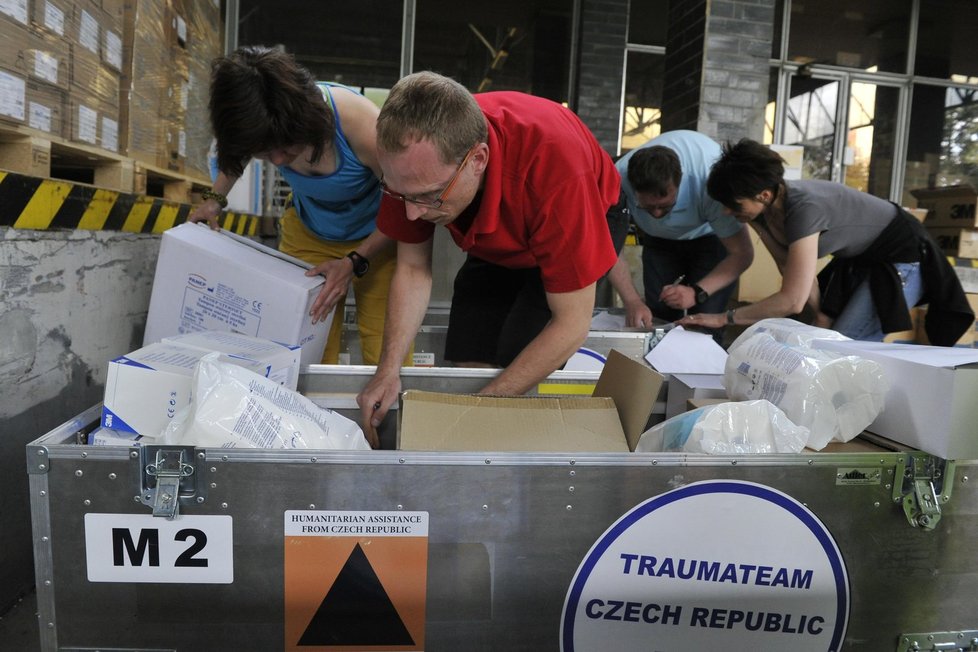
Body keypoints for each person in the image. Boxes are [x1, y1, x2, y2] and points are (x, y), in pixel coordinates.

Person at [356, 71, 621, 445]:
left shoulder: (556, 169)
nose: (412, 214)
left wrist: (474, 418)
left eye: (428, 197)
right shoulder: (414, 167)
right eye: (400, 195)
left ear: (477, 159)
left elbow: (571, 324)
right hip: (501, 223)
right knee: (470, 348)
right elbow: (413, 269)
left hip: (579, 206)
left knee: (518, 356)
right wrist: (387, 371)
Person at [189, 45, 403, 367]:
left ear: (305, 120)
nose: (277, 160)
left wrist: (354, 261)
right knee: (306, 345)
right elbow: (237, 154)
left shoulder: (363, 128)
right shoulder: (261, 122)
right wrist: (214, 200)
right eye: (264, 152)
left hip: (377, 236)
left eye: (285, 148)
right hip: (309, 230)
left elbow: (403, 211)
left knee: (385, 345)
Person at [676, 138, 973, 344]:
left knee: (842, 345)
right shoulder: (760, 213)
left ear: (763, 195)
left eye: (732, 204)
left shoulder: (805, 209)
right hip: (858, 260)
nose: (727, 212)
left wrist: (721, 318)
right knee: (820, 335)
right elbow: (792, 275)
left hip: (902, 255)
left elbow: (791, 300)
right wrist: (817, 317)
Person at [607, 130, 753, 336]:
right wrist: (632, 301)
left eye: (665, 206)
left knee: (705, 322)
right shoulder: (615, 179)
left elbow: (742, 254)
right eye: (647, 208)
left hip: (711, 236)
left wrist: (698, 292)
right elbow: (609, 246)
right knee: (656, 317)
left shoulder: (710, 182)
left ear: (680, 182)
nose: (657, 214)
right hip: (657, 240)